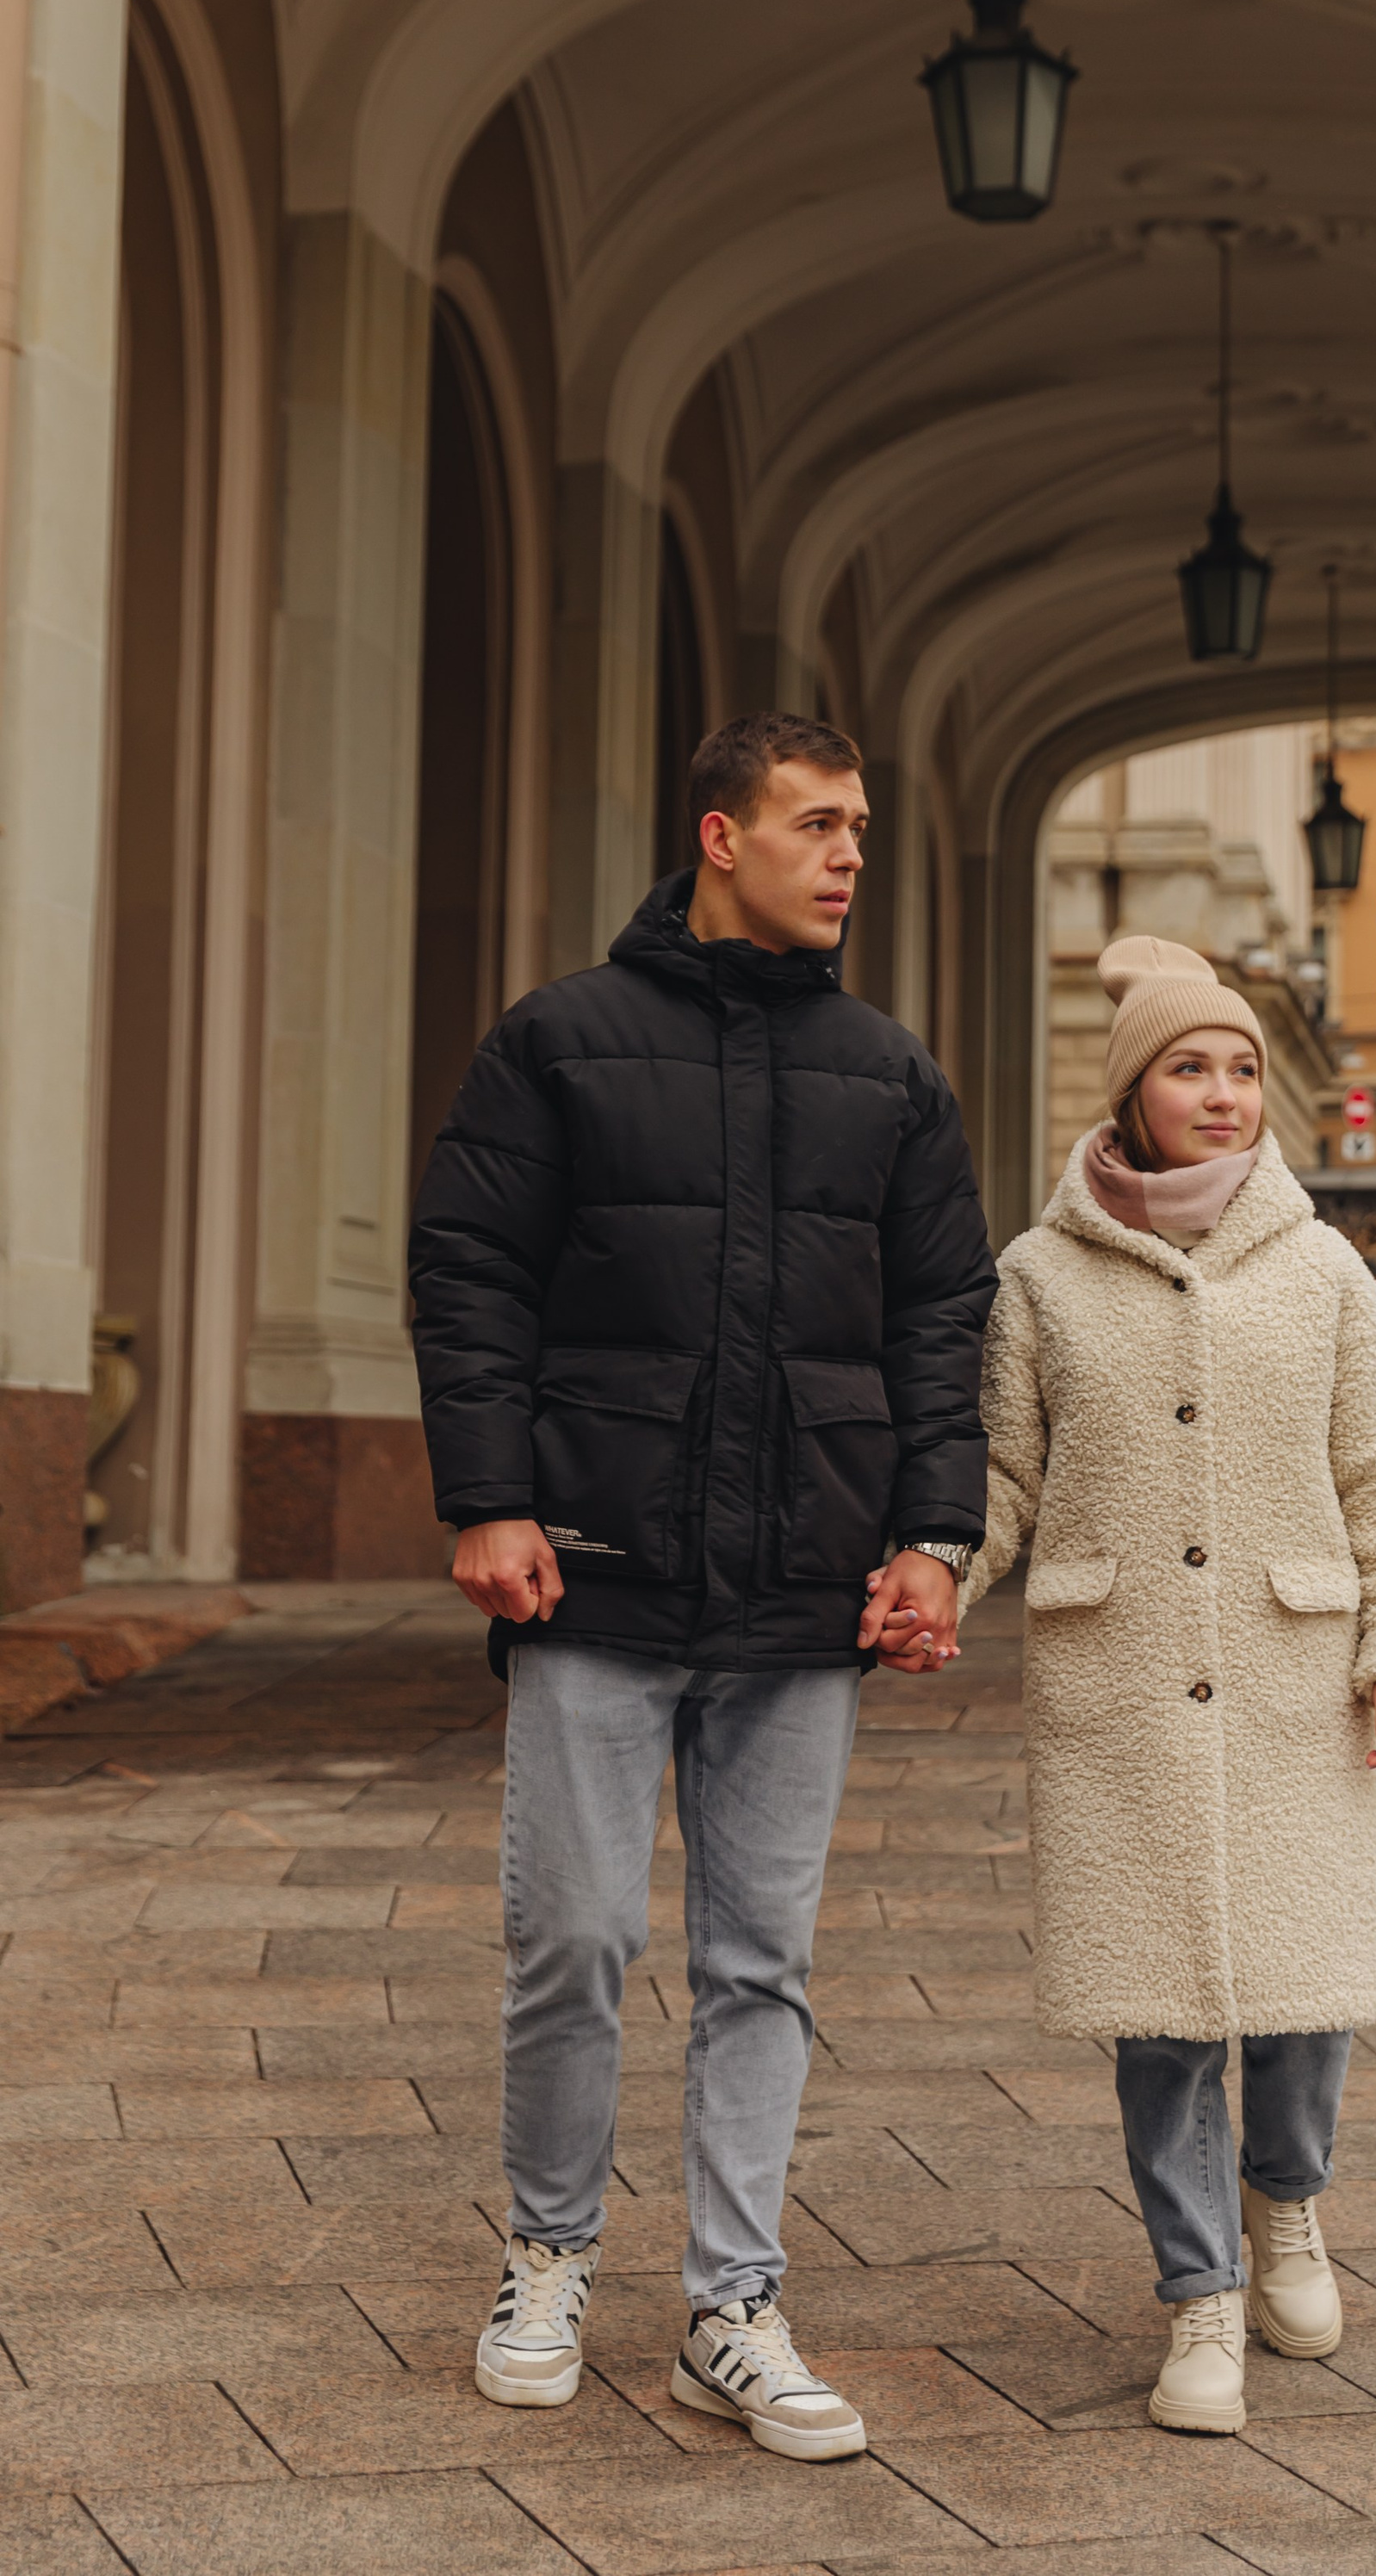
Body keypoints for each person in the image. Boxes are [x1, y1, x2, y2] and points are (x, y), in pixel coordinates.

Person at [409, 712, 995, 2461]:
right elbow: (471, 1274)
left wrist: (931, 1538)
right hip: (590, 1568)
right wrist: (489, 1496)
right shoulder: (560, 1043)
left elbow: (939, 1324)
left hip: (804, 1584)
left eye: (864, 832)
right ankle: (549, 2258)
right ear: (717, 835)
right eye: (819, 824)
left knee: (765, 1961)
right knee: (571, 1941)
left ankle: (733, 2306)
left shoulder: (890, 1077)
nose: (848, 858)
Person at [951, 934, 1376, 2434]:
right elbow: (1003, 1467)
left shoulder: (1321, 1268)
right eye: (1193, 1067)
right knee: (1161, 2010)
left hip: (1296, 1677)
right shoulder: (1039, 1278)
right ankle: (1199, 2300)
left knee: (1309, 1994)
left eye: (1243, 1069)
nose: (1228, 1093)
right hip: (1118, 1689)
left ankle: (1288, 2202)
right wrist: (934, 1576)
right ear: (1133, 1092)